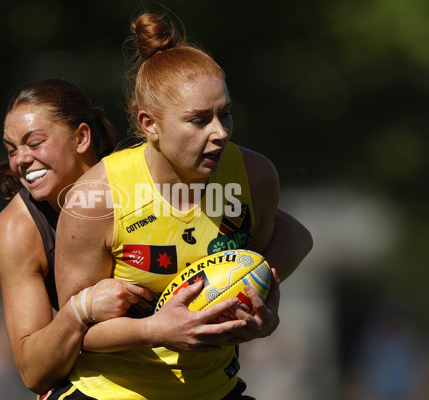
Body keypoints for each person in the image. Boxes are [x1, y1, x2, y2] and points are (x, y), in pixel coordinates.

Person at [53, 13, 313, 400]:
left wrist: (262, 315)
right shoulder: (97, 199)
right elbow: (78, 332)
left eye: (225, 113)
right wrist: (155, 330)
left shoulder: (254, 175)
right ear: (149, 124)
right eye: (198, 120)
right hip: (110, 392)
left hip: (215, 389)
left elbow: (288, 243)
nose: (220, 132)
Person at [0, 79, 259, 396]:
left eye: (34, 143)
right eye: (11, 149)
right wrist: (81, 310)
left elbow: (293, 235)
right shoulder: (18, 230)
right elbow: (34, 371)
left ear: (82, 137)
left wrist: (255, 294)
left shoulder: (138, 176)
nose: (20, 159)